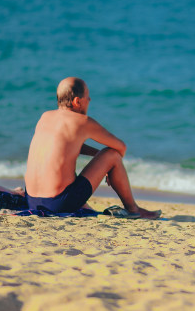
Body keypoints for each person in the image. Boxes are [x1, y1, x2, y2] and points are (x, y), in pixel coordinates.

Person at [24, 77, 160, 219]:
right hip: (58, 204)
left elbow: (68, 145)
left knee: (81, 162)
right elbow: (121, 147)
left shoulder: (45, 117)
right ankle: (133, 209)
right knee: (111, 154)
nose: (89, 100)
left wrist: (99, 159)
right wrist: (109, 166)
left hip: (32, 202)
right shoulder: (82, 122)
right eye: (87, 97)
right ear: (77, 101)